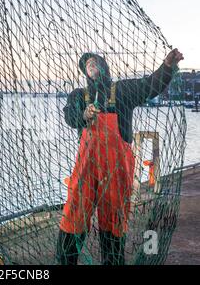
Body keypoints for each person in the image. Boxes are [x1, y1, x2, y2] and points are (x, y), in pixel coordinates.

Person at [57, 48, 184, 265]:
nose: (90, 64)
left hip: (117, 168)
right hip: (87, 166)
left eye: (94, 61)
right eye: (86, 64)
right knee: (75, 213)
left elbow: (150, 85)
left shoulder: (123, 90)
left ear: (104, 66)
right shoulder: (79, 95)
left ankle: (113, 262)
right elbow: (69, 116)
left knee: (114, 218)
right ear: (84, 72)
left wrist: (167, 67)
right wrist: (83, 115)